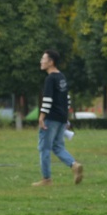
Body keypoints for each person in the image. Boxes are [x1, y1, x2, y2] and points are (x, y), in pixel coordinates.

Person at [32, 49, 83, 187]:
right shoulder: (61, 77)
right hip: (61, 117)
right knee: (58, 146)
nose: (41, 61)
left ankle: (46, 179)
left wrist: (41, 117)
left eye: (43, 59)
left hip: (51, 118)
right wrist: (65, 117)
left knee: (44, 148)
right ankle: (74, 165)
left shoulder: (50, 79)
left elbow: (47, 99)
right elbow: (67, 99)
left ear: (51, 62)